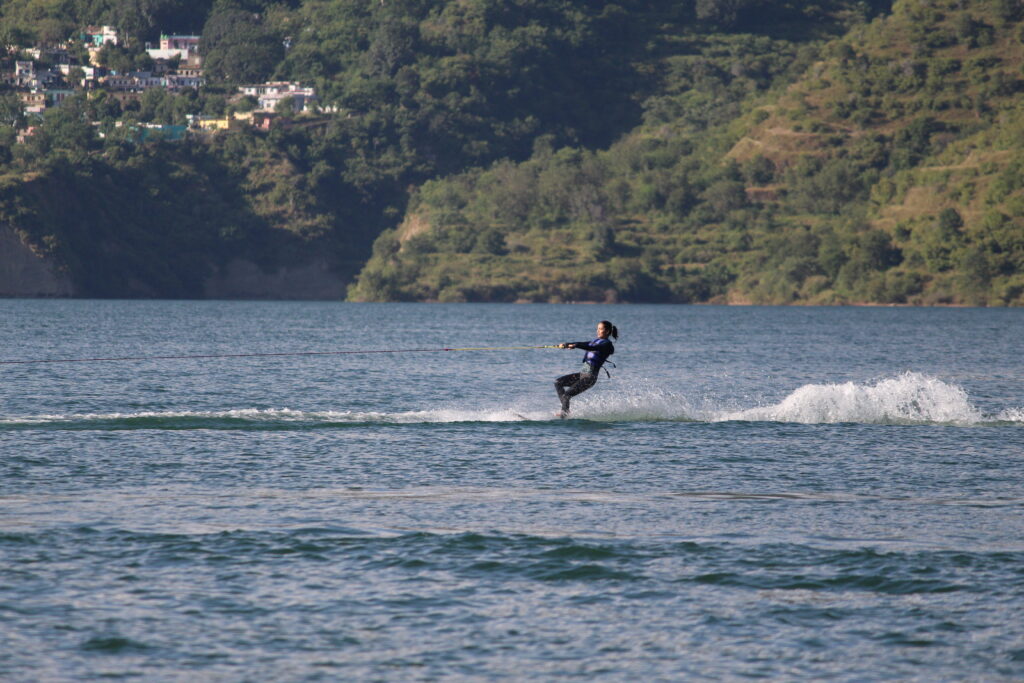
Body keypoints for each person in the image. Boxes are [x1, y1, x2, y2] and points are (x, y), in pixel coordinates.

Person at [554, 320, 618, 418]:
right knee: (558, 382)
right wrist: (567, 344)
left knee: (567, 395)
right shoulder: (595, 341)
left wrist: (576, 346)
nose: (598, 331)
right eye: (597, 329)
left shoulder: (607, 345)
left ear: (608, 331)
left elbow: (593, 347)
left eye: (600, 329)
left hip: (590, 377)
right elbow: (582, 343)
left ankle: (564, 414)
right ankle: (565, 411)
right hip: (583, 374)